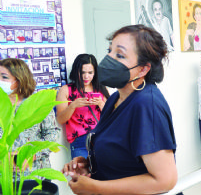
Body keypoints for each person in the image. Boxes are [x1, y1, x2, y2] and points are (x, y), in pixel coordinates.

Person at [62, 25, 177, 194]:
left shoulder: (146, 105)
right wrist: (90, 164)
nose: (109, 59)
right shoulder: (115, 99)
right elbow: (123, 154)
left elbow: (165, 180)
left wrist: (95, 187)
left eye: (120, 55)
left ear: (143, 69)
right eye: (110, 51)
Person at [0, 58, 60, 176]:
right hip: (4, 178)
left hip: (35, 173)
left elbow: (53, 133)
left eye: (4, 77)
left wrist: (33, 154)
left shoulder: (38, 103)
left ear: (19, 79)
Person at [56, 54, 109, 159]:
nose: (86, 77)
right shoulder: (66, 90)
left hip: (102, 139)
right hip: (80, 142)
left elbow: (112, 116)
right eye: (82, 72)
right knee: (81, 175)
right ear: (76, 71)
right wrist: (73, 106)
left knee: (104, 174)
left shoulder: (100, 88)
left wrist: (101, 104)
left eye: (90, 73)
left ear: (95, 73)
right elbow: (60, 119)